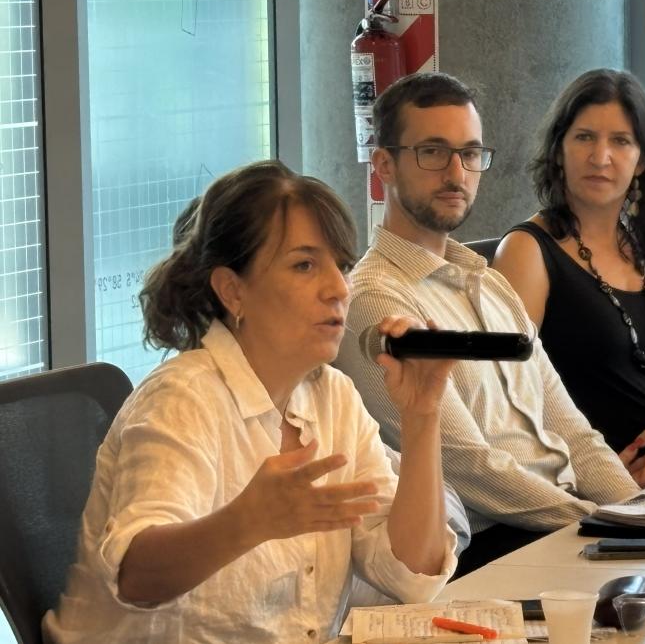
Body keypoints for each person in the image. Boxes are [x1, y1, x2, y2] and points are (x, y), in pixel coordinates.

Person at [45, 161, 458, 643]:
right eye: (305, 265)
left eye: (341, 266)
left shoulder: (333, 397)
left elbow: (411, 573)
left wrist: (422, 415)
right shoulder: (181, 399)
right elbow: (136, 577)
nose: (339, 288)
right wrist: (247, 521)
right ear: (232, 290)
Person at [337, 71, 640, 575]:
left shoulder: (487, 281)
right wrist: (602, 524)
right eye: (433, 152)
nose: (457, 173)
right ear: (383, 164)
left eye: (470, 154)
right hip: (487, 547)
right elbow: (468, 467)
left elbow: (575, 434)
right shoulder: (375, 301)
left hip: (566, 528)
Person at [492, 69, 645, 488]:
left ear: (642, 161)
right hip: (596, 493)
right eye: (584, 137)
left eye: (621, 141)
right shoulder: (527, 251)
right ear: (558, 150)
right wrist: (604, 477)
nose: (601, 157)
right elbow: (512, 399)